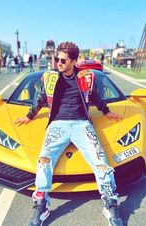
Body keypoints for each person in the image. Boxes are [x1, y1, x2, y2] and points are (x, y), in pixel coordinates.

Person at [15, 42, 123, 226]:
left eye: (63, 60)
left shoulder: (85, 77)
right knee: (44, 160)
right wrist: (29, 115)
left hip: (82, 124)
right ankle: (41, 204)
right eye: (56, 59)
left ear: (73, 61)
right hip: (57, 125)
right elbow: (40, 98)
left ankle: (110, 202)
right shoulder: (50, 78)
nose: (58, 63)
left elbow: (96, 96)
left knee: (101, 162)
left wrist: (106, 111)